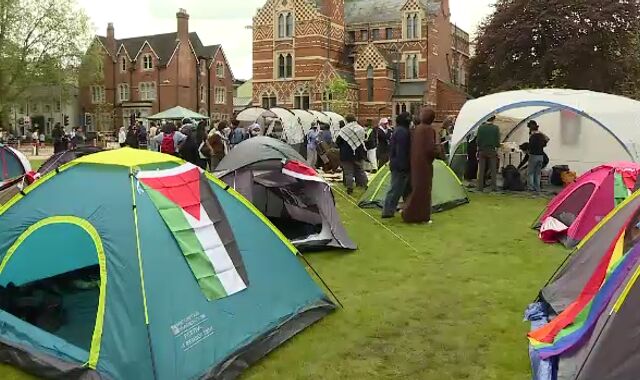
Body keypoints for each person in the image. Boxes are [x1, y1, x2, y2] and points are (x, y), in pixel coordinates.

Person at [402, 108, 438, 224]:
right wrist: (438, 151)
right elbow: (429, 149)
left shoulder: (417, 129)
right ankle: (417, 215)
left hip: (416, 162)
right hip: (424, 164)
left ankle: (411, 213)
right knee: (423, 190)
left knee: (417, 188)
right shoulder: (428, 130)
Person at [382, 113, 412, 218]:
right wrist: (403, 165)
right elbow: (401, 151)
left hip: (399, 164)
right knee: (395, 189)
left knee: (405, 189)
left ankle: (408, 209)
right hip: (400, 165)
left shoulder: (399, 130)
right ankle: (387, 211)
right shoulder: (402, 132)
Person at [336, 115, 368, 195]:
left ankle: (350, 188)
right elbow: (364, 138)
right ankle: (365, 185)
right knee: (360, 170)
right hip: (358, 153)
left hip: (346, 154)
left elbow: (338, 142)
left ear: (346, 121)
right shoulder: (360, 128)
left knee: (348, 172)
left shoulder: (344, 130)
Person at [476, 115, 500, 192]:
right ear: (493, 120)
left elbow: (478, 140)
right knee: (493, 169)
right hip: (491, 150)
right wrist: (497, 146)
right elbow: (497, 141)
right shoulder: (495, 128)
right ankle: (494, 187)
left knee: (481, 169)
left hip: (482, 150)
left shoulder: (481, 128)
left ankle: (480, 187)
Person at [528, 121, 549, 193]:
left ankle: (531, 188)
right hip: (541, 156)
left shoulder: (532, 136)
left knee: (530, 173)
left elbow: (530, 146)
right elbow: (547, 139)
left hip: (533, 155)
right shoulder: (541, 135)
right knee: (537, 173)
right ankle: (537, 188)